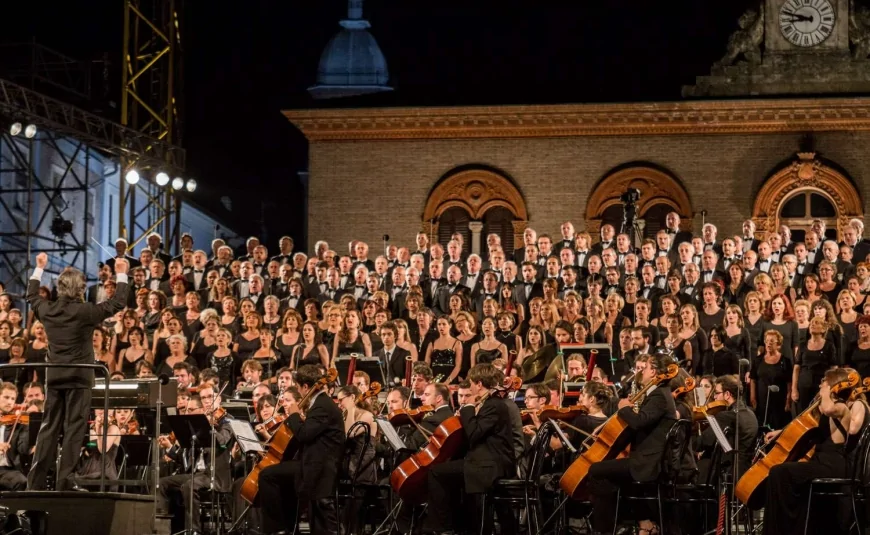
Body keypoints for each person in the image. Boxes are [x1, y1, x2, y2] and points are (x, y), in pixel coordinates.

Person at [25, 252, 129, 491]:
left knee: (49, 427)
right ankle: (64, 482)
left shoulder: (48, 309)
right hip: (80, 378)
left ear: (60, 289)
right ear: (81, 289)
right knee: (74, 429)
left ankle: (35, 482)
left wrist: (39, 268)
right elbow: (117, 303)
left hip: (55, 377)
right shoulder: (86, 312)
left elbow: (31, 295)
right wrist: (122, 272)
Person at [586, 353, 677, 535]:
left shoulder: (659, 395)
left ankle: (609, 527)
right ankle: (638, 522)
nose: (642, 370)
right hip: (644, 459)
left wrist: (624, 407)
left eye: (647, 367)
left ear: (654, 372)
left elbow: (638, 422)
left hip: (648, 463)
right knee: (611, 475)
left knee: (595, 471)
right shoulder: (658, 394)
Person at [422, 363, 515, 534]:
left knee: (436, 473)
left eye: (471, 383)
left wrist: (468, 409)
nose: (470, 388)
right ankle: (458, 526)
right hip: (482, 461)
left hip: (490, 464)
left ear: (479, 384)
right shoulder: (489, 404)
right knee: (445, 471)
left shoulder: (494, 405)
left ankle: (444, 528)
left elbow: (474, 434)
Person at [763, 368, 858, 534]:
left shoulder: (841, 407)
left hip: (832, 464)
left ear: (833, 385)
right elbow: (805, 426)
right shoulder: (827, 406)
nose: (820, 384)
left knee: (779, 473)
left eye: (824, 381)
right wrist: (781, 432)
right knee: (783, 473)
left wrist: (827, 392)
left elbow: (828, 409)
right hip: (820, 461)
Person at [258, 364, 345, 534]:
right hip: (312, 463)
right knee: (280, 477)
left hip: (319, 467)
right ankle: (289, 526)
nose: (298, 391)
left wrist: (295, 414)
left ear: (306, 387)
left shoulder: (321, 406)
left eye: (298, 387)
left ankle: (279, 529)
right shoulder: (320, 404)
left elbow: (304, 434)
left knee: (267, 475)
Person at [157, 382, 234, 533]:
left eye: (210, 396)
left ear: (219, 399)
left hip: (215, 474)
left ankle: (194, 530)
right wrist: (171, 448)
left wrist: (211, 428)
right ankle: (164, 528)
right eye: (203, 397)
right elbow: (185, 454)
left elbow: (223, 441)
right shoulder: (199, 421)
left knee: (189, 486)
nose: (206, 401)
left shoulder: (227, 420)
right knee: (162, 483)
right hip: (196, 473)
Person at [695, 374, 758, 482]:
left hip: (727, 473)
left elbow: (703, 442)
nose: (714, 397)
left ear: (727, 394)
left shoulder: (726, 416)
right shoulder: (750, 413)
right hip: (746, 471)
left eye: (717, 393)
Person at [0, 382, 28, 490]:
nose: (9, 402)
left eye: (12, 399)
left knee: (22, 481)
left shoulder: (17, 424)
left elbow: (23, 449)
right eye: (6, 397)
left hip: (7, 470)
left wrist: (28, 427)